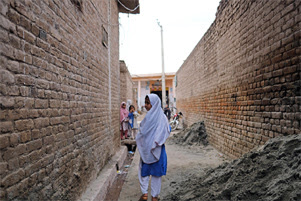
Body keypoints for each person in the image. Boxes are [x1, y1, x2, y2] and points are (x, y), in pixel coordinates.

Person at [136, 94, 171, 201]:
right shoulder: (162, 118)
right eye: (145, 103)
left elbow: (141, 132)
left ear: (154, 104)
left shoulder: (148, 118)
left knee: (145, 171)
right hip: (157, 150)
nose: (145, 105)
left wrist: (148, 142)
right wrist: (156, 142)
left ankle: (145, 193)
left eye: (148, 103)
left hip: (148, 150)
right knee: (156, 173)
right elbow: (167, 130)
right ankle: (154, 196)